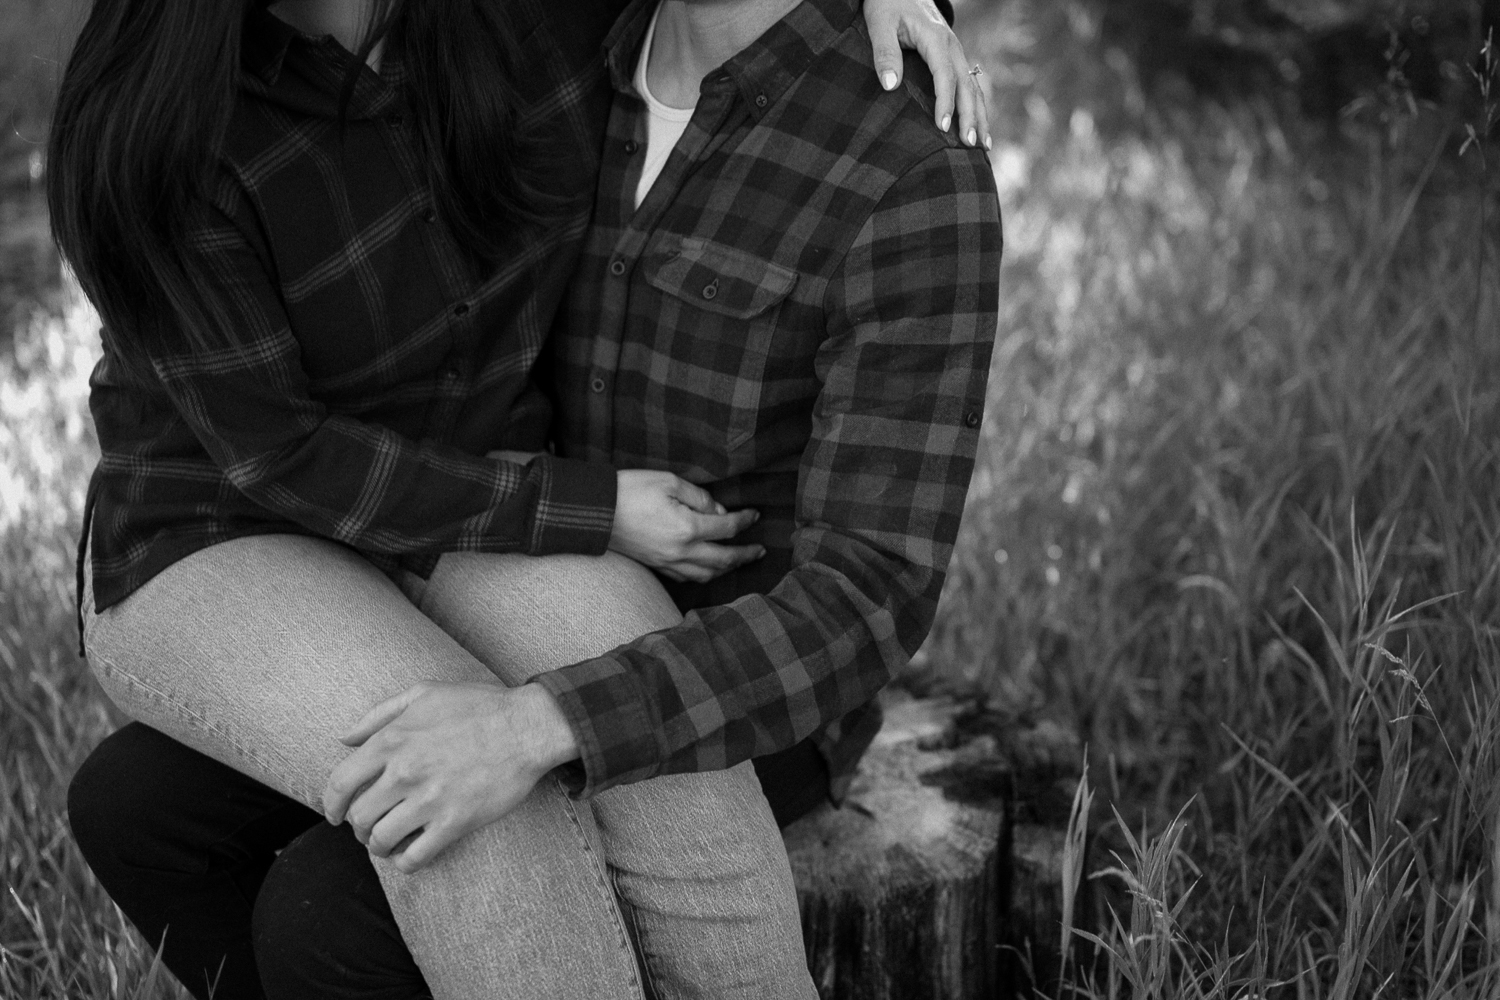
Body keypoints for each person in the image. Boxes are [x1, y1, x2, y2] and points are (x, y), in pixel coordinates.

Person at [51, 0, 988, 998]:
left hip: (483, 508)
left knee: (635, 786)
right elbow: (282, 456)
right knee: (456, 817)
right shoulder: (167, 125)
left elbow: (871, 585)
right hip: (233, 523)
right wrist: (586, 514)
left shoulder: (533, 24)